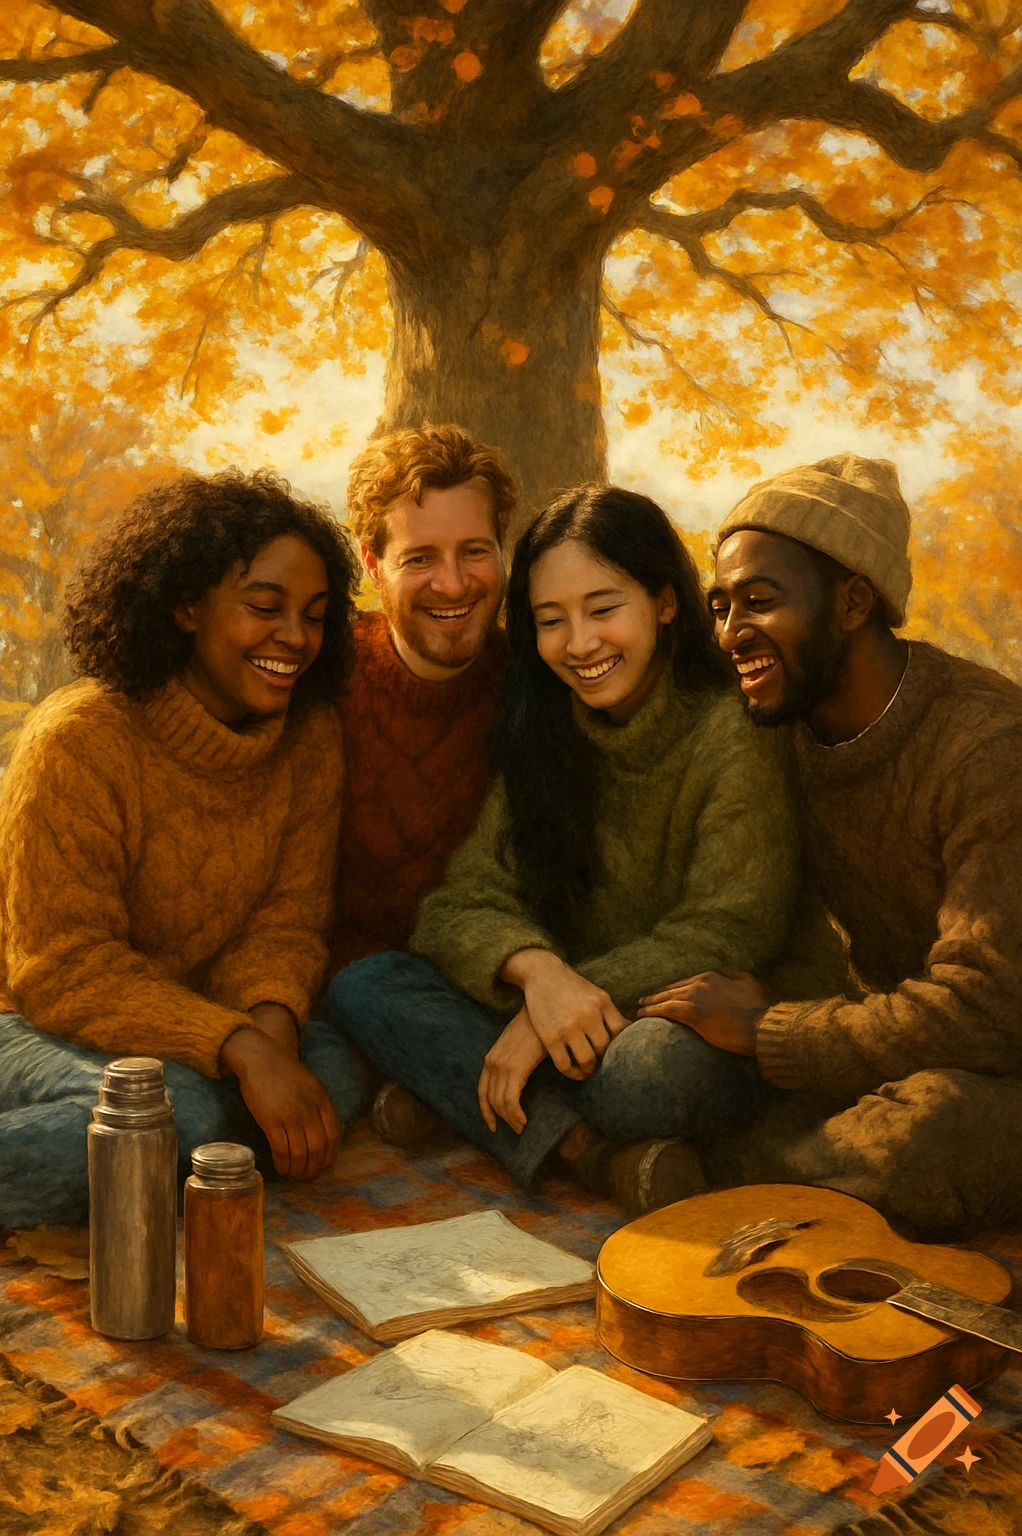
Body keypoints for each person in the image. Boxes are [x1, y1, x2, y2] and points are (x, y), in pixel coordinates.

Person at [330, 484, 803, 1214]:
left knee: (643, 1078)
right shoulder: (547, 726)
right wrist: (541, 976)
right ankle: (588, 1153)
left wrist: (543, 1017)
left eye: (603, 610)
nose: (580, 645)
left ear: (664, 602)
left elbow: (728, 930)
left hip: (686, 1022)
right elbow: (458, 903)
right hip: (575, 1015)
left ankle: (462, 1090)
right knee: (368, 985)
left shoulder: (731, 733)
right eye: (552, 621)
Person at [645, 453, 1022, 1234]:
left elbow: (988, 1009)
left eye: (760, 602)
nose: (730, 634)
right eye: (720, 607)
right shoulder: (780, 724)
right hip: (884, 1044)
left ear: (853, 602)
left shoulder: (987, 748)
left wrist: (769, 1031)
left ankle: (698, 1180)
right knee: (670, 1068)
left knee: (928, 1133)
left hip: (996, 1061)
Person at [0, 471, 368, 1229]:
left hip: (195, 1025)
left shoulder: (309, 736)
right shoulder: (79, 739)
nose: (294, 637)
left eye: (314, 615)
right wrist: (242, 1050)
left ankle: (175, 1149)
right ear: (186, 606)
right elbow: (61, 971)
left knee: (333, 1068)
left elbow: (286, 926)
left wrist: (271, 1042)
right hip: (30, 1019)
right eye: (264, 607)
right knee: (174, 1116)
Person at [331, 424, 511, 1142]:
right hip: (351, 991)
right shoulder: (324, 677)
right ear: (372, 564)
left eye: (475, 551)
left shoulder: (538, 683)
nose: (454, 583)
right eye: (420, 558)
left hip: (493, 983)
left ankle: (433, 1091)